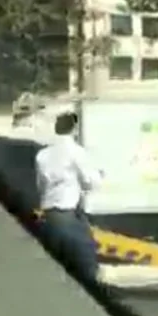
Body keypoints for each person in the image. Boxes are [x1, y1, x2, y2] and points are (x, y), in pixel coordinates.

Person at [35, 111, 103, 282]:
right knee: (87, 266)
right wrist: (98, 176)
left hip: (48, 219)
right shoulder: (76, 152)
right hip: (68, 217)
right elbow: (91, 183)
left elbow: (40, 186)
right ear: (74, 129)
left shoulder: (42, 155)